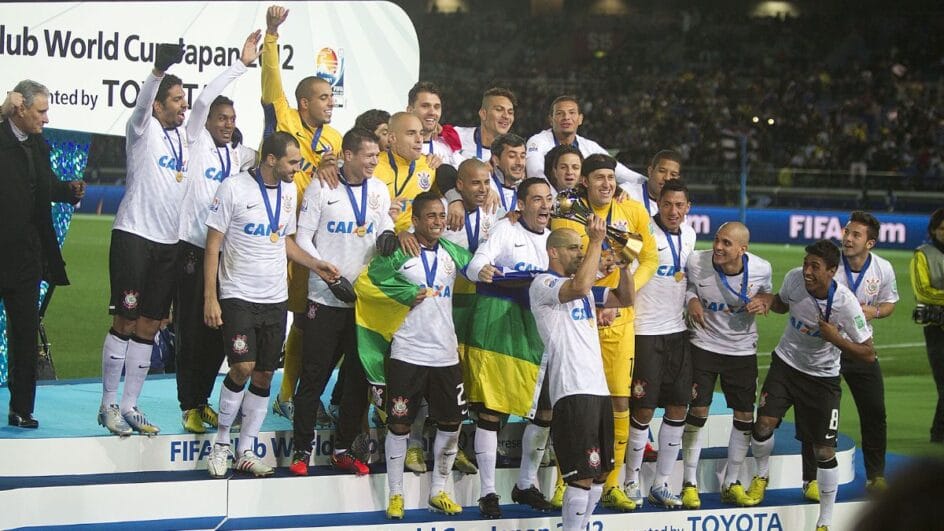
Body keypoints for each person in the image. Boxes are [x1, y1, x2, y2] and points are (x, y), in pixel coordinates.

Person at [203, 132, 331, 478]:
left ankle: (246, 449)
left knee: (263, 375)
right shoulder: (233, 188)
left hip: (275, 297)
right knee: (242, 368)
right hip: (238, 295)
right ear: (271, 159)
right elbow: (213, 244)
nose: (297, 168)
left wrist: (314, 263)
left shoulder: (289, 191)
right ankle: (221, 444)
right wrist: (210, 297)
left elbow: (284, 241)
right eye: (292, 162)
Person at [549, 154, 658, 512]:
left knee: (618, 400)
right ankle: (565, 481)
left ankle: (611, 483)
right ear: (585, 182)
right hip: (579, 318)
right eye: (598, 178)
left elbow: (649, 260)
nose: (606, 184)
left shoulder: (632, 213)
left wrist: (621, 302)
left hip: (617, 320)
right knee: (569, 402)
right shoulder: (569, 214)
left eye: (611, 178)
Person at [288, 127, 393, 477]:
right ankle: (301, 449)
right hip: (325, 298)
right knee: (314, 376)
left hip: (363, 304)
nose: (374, 162)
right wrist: (327, 276)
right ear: (347, 155)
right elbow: (303, 237)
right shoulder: (322, 186)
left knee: (357, 381)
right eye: (368, 156)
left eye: (377, 157)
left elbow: (384, 228)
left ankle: (343, 449)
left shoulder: (378, 189)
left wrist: (390, 238)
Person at [751, 240, 875, 531]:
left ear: (832, 271)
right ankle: (761, 477)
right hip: (786, 364)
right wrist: (768, 301)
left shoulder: (845, 304)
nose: (807, 270)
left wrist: (836, 339)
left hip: (822, 379)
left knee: (824, 452)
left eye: (815, 267)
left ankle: (825, 520)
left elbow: (869, 353)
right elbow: (783, 303)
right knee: (764, 424)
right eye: (806, 263)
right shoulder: (795, 277)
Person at [97, 43, 187, 436]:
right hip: (134, 234)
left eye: (185, 100)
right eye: (176, 100)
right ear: (158, 104)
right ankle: (108, 404)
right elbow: (141, 105)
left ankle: (131, 405)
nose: (183, 107)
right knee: (125, 320)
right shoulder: (142, 129)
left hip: (169, 242)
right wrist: (157, 71)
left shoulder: (184, 139)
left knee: (150, 325)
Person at [175, 31, 261, 435]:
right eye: (221, 119)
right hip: (194, 249)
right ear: (206, 121)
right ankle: (188, 404)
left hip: (228, 256)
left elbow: (271, 158)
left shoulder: (237, 156)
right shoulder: (196, 144)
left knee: (217, 334)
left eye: (231, 120)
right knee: (193, 330)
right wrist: (241, 65)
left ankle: (203, 399)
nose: (227, 124)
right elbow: (207, 95)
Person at [263, 5, 343, 421]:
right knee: (271, 317)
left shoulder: (335, 138)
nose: (331, 103)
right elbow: (272, 82)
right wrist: (272, 36)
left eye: (332, 97)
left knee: (305, 323)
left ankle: (290, 394)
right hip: (272, 233)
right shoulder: (284, 115)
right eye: (325, 97)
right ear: (304, 101)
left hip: (309, 241)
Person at [530, 220, 635, 531]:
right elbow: (578, 287)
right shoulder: (543, 284)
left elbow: (624, 299)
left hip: (597, 388)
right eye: (572, 247)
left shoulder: (587, 290)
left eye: (581, 246)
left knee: (600, 473)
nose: (579, 252)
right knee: (583, 474)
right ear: (553, 252)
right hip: (572, 388)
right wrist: (595, 242)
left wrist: (626, 267)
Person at [465, 177, 555, 518]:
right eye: (536, 199)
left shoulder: (555, 240)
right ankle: (488, 491)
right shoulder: (506, 229)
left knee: (544, 414)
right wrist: (482, 269)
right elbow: (477, 263)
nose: (544, 205)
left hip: (541, 338)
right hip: (503, 334)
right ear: (520, 204)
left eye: (548, 199)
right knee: (492, 414)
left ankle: (526, 483)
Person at [1, 83, 84, 428]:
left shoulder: (39, 146)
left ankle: (22, 409)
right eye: (40, 112)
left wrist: (67, 191)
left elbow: (45, 186)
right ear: (19, 110)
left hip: (24, 261)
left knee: (24, 336)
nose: (46, 119)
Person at [799, 211, 898, 499]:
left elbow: (889, 302)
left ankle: (876, 476)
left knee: (875, 413)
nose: (848, 238)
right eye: (847, 232)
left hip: (858, 348)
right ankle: (811, 479)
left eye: (856, 235)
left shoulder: (883, 269)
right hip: (823, 350)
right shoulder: (830, 265)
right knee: (816, 414)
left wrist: (874, 311)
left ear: (871, 243)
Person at [680, 222, 773, 508]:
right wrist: (692, 300)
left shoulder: (761, 268)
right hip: (703, 345)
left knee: (745, 417)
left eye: (726, 244)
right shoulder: (697, 261)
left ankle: (731, 481)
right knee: (697, 411)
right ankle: (689, 483)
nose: (718, 247)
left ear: (742, 250)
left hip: (742, 349)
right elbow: (685, 286)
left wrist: (764, 301)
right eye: (717, 240)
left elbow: (768, 295)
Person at [622, 178, 696, 508]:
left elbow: (691, 279)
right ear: (658, 205)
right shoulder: (640, 236)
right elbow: (621, 270)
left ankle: (662, 483)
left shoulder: (692, 235)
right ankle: (630, 480)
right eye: (667, 204)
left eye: (680, 205)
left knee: (679, 406)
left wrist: (692, 298)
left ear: (688, 208)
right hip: (644, 332)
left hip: (678, 333)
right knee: (644, 408)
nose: (673, 211)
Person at [525, 95, 644, 186]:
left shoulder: (590, 146)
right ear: (551, 120)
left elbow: (622, 173)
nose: (566, 117)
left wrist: (649, 183)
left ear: (580, 119)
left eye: (572, 113)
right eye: (560, 113)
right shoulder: (537, 141)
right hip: (547, 204)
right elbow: (535, 174)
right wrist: (556, 200)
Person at [911, 208, 944, 444]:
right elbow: (922, 292)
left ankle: (938, 432)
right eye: (943, 228)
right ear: (934, 230)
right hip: (937, 327)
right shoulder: (923, 255)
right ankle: (938, 433)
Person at [374, 112, 437, 234]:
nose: (419, 139)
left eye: (421, 133)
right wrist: (382, 208)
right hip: (379, 237)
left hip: (415, 242)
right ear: (392, 138)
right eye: (411, 133)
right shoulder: (373, 166)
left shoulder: (430, 165)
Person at [453, 87, 516, 163]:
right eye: (499, 109)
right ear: (483, 114)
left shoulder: (512, 153)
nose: (506, 116)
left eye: (510, 112)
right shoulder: (457, 135)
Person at [407, 81, 459, 169]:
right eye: (425, 106)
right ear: (410, 110)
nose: (432, 112)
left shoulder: (447, 150)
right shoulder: (398, 148)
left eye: (437, 107)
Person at [619, 149, 682, 217]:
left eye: (673, 174)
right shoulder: (628, 193)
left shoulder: (677, 212)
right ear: (650, 171)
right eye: (662, 171)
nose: (667, 178)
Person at [487, 133, 527, 216]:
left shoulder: (526, 191)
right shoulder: (486, 184)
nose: (519, 162)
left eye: (522, 156)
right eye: (512, 156)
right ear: (496, 160)